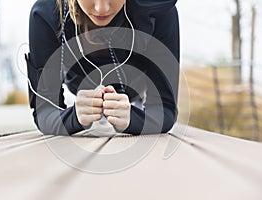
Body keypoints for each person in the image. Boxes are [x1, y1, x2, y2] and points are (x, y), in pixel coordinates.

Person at [25, 0, 180, 135]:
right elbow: (44, 112)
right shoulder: (46, 13)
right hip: (77, 83)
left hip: (135, 88)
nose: (101, 8)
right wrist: (74, 117)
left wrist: (133, 119)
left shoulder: (158, 10)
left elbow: (165, 109)